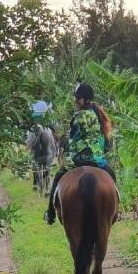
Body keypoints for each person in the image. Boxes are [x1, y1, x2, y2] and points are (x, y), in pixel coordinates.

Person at [44, 83, 116, 225]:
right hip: (97, 159)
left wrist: (66, 143)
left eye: (78, 98)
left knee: (58, 177)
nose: (76, 101)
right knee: (112, 176)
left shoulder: (79, 116)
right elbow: (106, 141)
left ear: (86, 99)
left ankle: (50, 213)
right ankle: (115, 210)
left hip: (78, 159)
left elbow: (73, 139)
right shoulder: (99, 115)